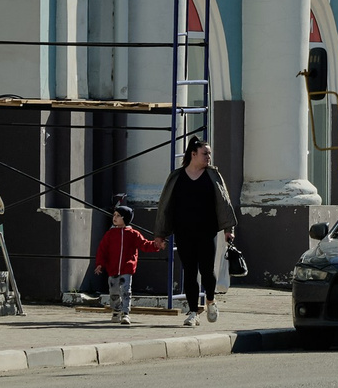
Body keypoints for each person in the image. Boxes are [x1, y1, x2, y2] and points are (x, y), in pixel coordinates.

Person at [155, 138, 237, 327]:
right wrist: (161, 234)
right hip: (183, 232)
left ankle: (210, 300)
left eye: (209, 153)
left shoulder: (212, 176)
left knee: (207, 271)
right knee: (190, 272)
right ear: (193, 154)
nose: (208, 157)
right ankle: (193, 312)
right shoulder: (177, 177)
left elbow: (224, 203)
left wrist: (228, 230)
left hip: (207, 232)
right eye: (205, 153)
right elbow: (166, 206)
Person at [94, 204, 160, 325]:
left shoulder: (133, 234)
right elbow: (102, 250)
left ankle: (125, 313)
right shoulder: (110, 234)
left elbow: (144, 244)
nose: (115, 218)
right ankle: (116, 310)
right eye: (114, 215)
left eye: (118, 216)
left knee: (126, 291)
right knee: (113, 291)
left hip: (127, 268)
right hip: (112, 269)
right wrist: (100, 264)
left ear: (125, 218)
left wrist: (156, 245)